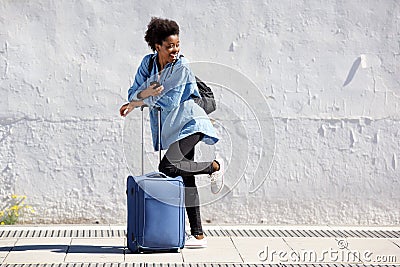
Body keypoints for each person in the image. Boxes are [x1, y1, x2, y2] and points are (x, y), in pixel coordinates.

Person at [119, 17, 223, 248]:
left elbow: (168, 101)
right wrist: (140, 97)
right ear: (157, 46)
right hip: (174, 127)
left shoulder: (182, 67)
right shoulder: (148, 64)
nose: (175, 50)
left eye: (177, 45)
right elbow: (132, 92)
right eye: (169, 46)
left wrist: (142, 97)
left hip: (192, 123)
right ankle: (198, 235)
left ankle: (214, 166)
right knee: (186, 178)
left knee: (167, 167)